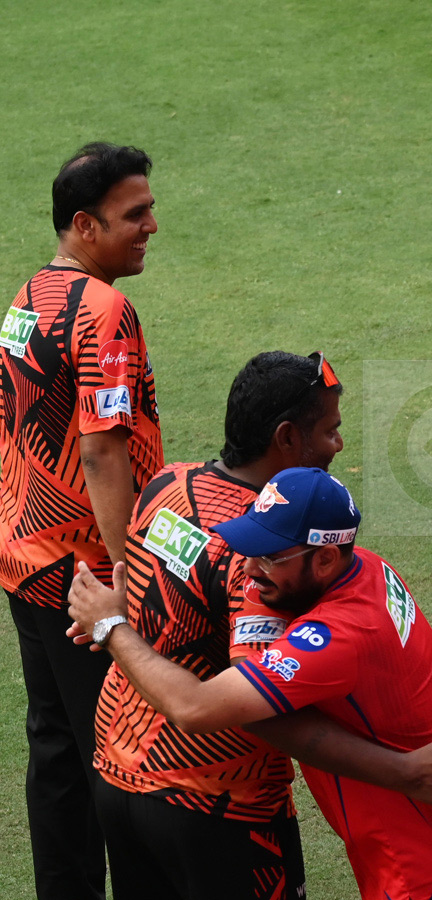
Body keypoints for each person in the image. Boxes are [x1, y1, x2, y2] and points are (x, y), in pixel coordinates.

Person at [68, 351, 432, 899]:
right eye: (329, 430)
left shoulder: (165, 485)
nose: (337, 446)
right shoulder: (266, 560)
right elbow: (261, 714)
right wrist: (403, 773)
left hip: (117, 773)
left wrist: (113, 621)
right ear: (286, 438)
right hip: (217, 802)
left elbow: (134, 591)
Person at [0, 142, 164, 900]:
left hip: (23, 556)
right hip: (84, 576)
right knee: (118, 753)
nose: (151, 226)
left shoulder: (29, 294)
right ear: (84, 224)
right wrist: (127, 573)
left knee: (56, 749)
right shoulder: (104, 311)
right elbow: (102, 449)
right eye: (135, 214)